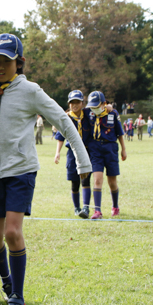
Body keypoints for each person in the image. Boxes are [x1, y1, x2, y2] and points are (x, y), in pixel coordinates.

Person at [0, 34, 91, 305]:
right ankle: (7, 283)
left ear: (19, 62)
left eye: (6, 61)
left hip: (20, 171)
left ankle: (17, 298)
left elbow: (64, 121)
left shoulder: (30, 91)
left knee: (12, 232)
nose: (0, 66)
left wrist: (82, 160)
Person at [54, 90, 95, 218]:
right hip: (72, 153)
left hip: (86, 151)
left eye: (77, 102)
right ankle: (77, 208)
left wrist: (109, 107)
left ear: (82, 103)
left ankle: (86, 208)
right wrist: (57, 153)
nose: (74, 105)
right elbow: (60, 137)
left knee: (86, 180)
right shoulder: (66, 118)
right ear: (69, 104)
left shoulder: (88, 115)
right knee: (74, 182)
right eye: (72, 102)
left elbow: (100, 108)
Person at [86, 90, 127, 218]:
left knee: (112, 182)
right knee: (97, 179)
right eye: (92, 106)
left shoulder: (113, 113)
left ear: (104, 103)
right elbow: (75, 111)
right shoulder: (88, 113)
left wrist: (123, 149)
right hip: (95, 149)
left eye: (97, 106)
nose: (94, 108)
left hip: (110, 149)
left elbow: (120, 133)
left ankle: (115, 206)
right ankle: (97, 210)